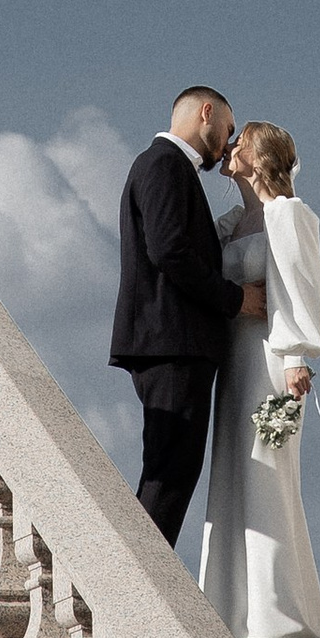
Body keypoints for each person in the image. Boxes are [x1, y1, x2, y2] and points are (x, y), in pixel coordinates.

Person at [111, 85, 264, 546]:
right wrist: (235, 300)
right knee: (171, 470)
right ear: (206, 113)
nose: (228, 143)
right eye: (229, 130)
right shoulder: (162, 164)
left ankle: (140, 580)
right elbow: (170, 251)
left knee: (171, 467)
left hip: (172, 343)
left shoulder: (167, 167)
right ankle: (139, 589)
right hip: (172, 343)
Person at [197, 115, 320, 638]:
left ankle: (277, 616)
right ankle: (230, 612)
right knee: (233, 474)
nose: (229, 148)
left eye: (240, 142)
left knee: (266, 475)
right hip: (232, 363)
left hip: (270, 361)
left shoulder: (288, 214)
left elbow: (300, 282)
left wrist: (297, 355)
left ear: (261, 155)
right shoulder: (231, 224)